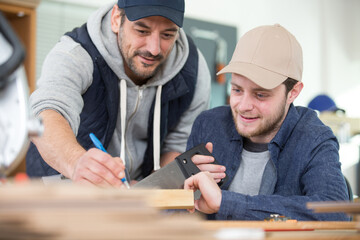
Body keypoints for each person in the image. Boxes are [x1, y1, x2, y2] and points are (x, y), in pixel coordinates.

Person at [26, 0, 210, 187]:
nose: (154, 49)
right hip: (59, 187)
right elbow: (43, 118)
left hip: (133, 193)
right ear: (116, 19)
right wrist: (76, 163)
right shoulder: (75, 54)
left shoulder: (193, 70)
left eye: (167, 35)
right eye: (142, 31)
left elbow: (177, 144)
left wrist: (152, 186)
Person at [184, 24, 350, 221]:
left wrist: (224, 201)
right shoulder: (208, 125)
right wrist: (183, 187)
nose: (243, 106)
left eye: (260, 94)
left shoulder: (314, 138)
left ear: (293, 92)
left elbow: (334, 212)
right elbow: (171, 212)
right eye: (237, 90)